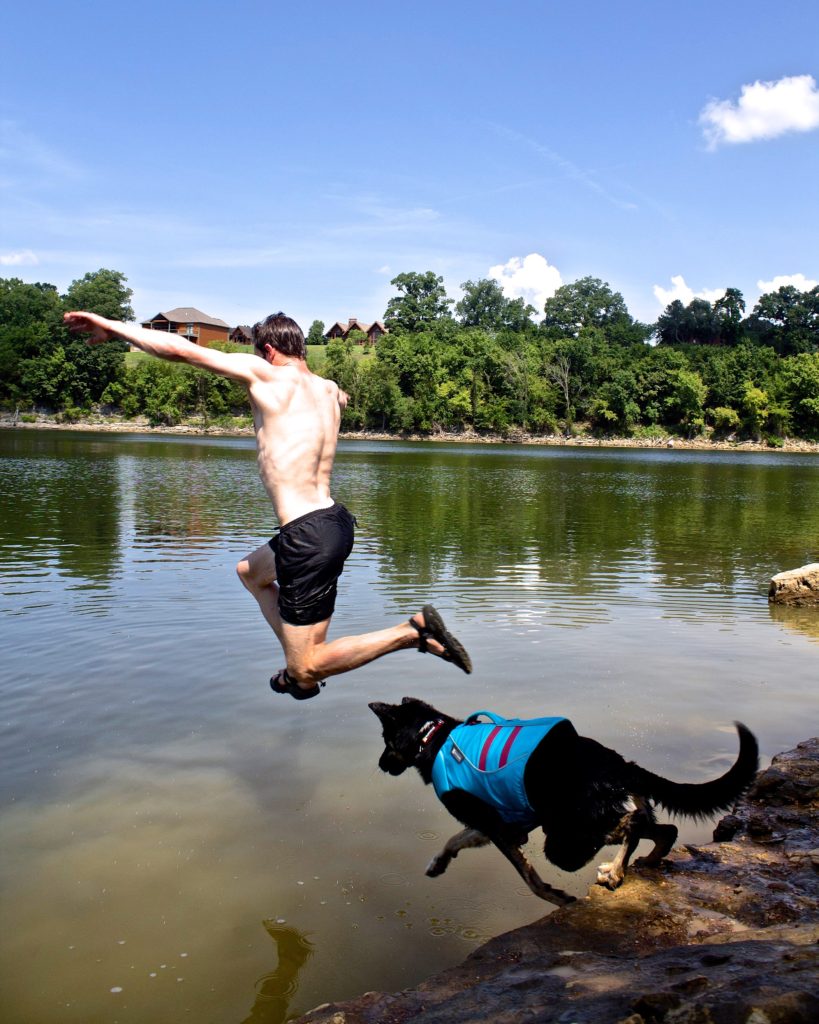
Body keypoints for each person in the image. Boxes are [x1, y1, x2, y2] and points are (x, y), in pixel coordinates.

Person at [64, 310, 472, 699]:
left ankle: (411, 632)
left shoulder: (269, 376)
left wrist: (113, 327)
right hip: (334, 522)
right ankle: (299, 665)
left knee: (307, 668)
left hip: (306, 536)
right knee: (249, 572)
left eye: (260, 353)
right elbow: (340, 397)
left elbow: (182, 350)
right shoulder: (328, 390)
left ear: (270, 352)